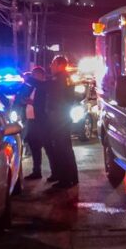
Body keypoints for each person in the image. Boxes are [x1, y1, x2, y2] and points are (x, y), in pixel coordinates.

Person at [46, 56, 79, 189]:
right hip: (64, 117)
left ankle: (65, 180)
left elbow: (56, 101)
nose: (51, 66)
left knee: (61, 149)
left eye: (53, 63)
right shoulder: (67, 78)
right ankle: (72, 177)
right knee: (66, 148)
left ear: (60, 65)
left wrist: (51, 113)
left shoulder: (59, 79)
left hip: (59, 119)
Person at [15, 67, 53, 181]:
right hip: (30, 121)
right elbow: (20, 99)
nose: (32, 78)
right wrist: (23, 102)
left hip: (43, 122)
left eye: (34, 75)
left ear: (41, 76)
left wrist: (33, 103)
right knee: (34, 147)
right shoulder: (30, 87)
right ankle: (36, 171)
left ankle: (55, 172)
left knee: (49, 148)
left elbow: (46, 105)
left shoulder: (45, 88)